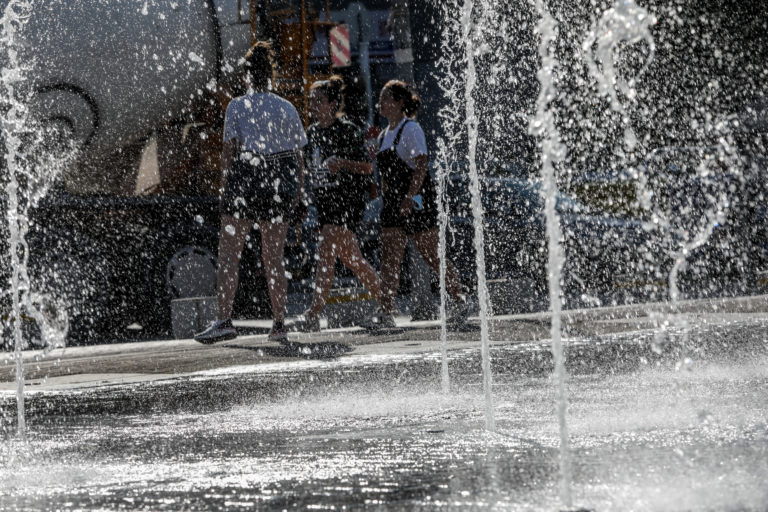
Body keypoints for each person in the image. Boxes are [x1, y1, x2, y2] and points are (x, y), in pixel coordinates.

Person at [195, 41, 308, 344]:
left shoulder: (237, 105)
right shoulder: (286, 106)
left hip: (247, 176)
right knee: (274, 257)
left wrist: (223, 189)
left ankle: (224, 320)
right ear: (271, 75)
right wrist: (296, 194)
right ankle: (280, 323)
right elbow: (298, 157)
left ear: (246, 76)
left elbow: (228, 152)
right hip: (280, 179)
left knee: (230, 254)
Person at [294, 77, 394, 331]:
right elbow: (307, 168)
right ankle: (387, 306)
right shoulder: (312, 132)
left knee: (327, 253)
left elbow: (367, 167)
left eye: (319, 101)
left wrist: (342, 162)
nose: (314, 105)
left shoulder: (347, 130)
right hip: (325, 202)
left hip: (347, 200)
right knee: (353, 260)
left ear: (333, 103)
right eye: (312, 101)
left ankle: (313, 314)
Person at [375, 80, 469, 328]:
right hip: (393, 202)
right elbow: (386, 175)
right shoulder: (384, 135)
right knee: (390, 258)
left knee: (432, 255)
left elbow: (422, 165)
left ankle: (460, 301)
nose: (380, 103)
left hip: (416, 201)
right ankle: (385, 313)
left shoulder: (411, 129)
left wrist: (409, 197)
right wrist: (387, 200)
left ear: (399, 103)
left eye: (385, 98)